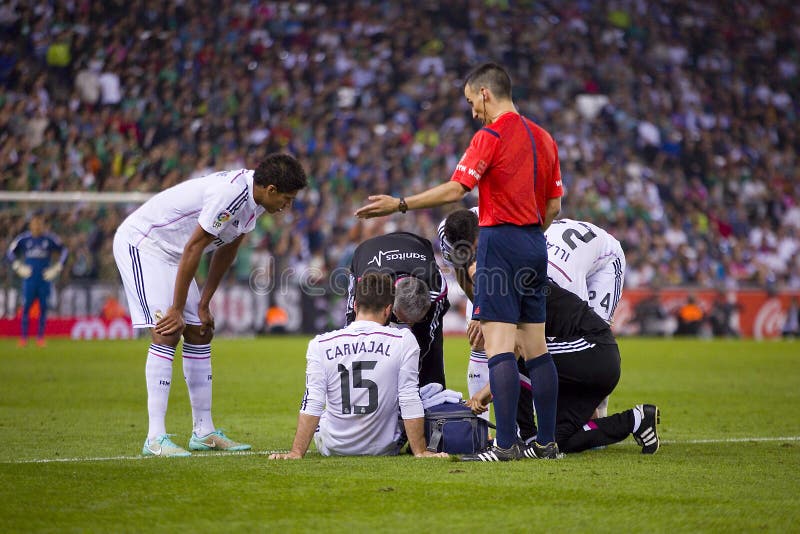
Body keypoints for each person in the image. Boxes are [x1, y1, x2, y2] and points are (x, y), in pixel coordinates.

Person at [357, 62, 563, 461]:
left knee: (499, 348)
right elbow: (554, 205)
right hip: (536, 243)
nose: (472, 112)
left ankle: (506, 445)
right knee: (537, 349)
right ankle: (547, 442)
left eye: (471, 102)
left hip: (500, 240)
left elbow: (457, 189)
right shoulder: (545, 138)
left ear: (485, 93)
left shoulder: (490, 136)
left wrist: (400, 204)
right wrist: (530, 234)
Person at [113, 153, 308, 457]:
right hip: (144, 244)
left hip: (174, 255)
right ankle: (155, 438)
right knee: (167, 331)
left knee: (200, 331)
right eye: (287, 198)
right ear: (270, 189)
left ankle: (203, 432)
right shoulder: (231, 194)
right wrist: (176, 309)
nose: (287, 205)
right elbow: (195, 247)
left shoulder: (255, 202)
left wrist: (204, 302)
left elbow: (227, 250)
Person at [440, 210, 626, 418]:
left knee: (588, 349)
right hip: (556, 248)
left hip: (604, 259)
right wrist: (479, 309)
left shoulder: (564, 285)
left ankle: (596, 418)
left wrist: (489, 390)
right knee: (487, 338)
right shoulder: (467, 241)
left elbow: (524, 344)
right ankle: (485, 429)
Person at [466, 281, 661, 456]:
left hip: (595, 350)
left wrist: (485, 393)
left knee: (524, 357)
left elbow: (517, 349)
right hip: (593, 364)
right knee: (557, 440)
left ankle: (524, 435)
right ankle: (636, 419)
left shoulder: (516, 288)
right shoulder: (520, 282)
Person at [269, 273, 448, 459]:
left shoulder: (320, 344)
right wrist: (420, 451)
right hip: (384, 447)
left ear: (355, 305)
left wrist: (296, 452)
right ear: (388, 310)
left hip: (333, 446)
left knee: (323, 408)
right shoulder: (404, 340)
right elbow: (408, 397)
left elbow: (313, 401)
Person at [346, 232, 450, 387]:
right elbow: (353, 321)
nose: (409, 325)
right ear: (390, 307)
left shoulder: (437, 288)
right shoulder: (369, 285)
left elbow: (431, 339)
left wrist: (420, 376)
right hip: (368, 252)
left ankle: (432, 392)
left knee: (430, 346)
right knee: (361, 327)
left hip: (416, 244)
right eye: (403, 320)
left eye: (414, 321)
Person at [6, 212, 68, 347]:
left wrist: (57, 267)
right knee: (26, 308)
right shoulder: (24, 239)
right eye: (35, 223)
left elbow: (64, 251)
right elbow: (10, 252)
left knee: (43, 308)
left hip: (44, 279)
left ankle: (40, 338)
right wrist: (17, 266)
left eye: (40, 223)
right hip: (29, 279)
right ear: (31, 224)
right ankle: (23, 338)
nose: (37, 226)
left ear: (43, 225)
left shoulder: (50, 239)